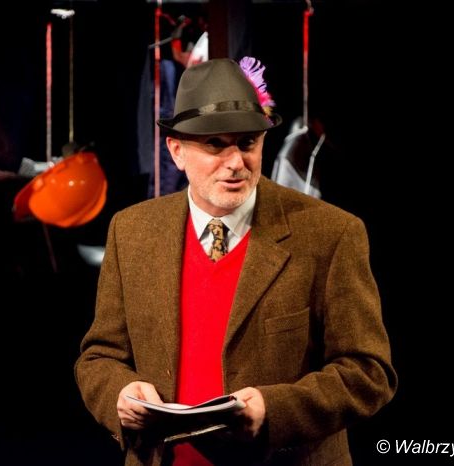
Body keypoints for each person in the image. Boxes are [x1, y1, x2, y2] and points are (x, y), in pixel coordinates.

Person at [75, 58, 397, 465]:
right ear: (176, 151)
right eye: (214, 144)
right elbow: (100, 356)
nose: (235, 162)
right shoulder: (131, 231)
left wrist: (274, 410)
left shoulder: (330, 234)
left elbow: (368, 372)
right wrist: (119, 395)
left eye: (247, 143)